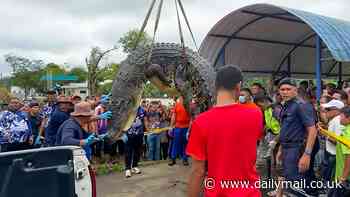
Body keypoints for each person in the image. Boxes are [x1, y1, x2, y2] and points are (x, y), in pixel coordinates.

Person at [187, 65, 263, 197]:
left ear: (216, 87)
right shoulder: (256, 114)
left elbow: (198, 171)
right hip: (250, 192)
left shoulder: (200, 122)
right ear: (238, 86)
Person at [276, 78, 319, 196]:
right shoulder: (286, 106)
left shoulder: (301, 106)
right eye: (282, 89)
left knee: (296, 187)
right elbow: (286, 129)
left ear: (295, 90)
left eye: (288, 89)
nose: (285, 92)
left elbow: (312, 130)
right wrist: (280, 149)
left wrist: (307, 154)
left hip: (297, 149)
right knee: (292, 184)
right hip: (287, 148)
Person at [320, 99, 344, 182]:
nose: (325, 111)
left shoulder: (338, 121)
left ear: (337, 110)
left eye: (328, 109)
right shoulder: (335, 119)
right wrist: (325, 128)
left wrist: (325, 134)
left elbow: (339, 141)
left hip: (334, 155)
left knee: (330, 178)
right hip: (331, 153)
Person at [328, 107, 350, 196]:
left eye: (341, 116)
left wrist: (343, 178)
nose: (339, 119)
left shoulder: (347, 133)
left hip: (345, 178)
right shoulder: (346, 130)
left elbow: (349, 157)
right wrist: (323, 130)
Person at [124, 105, 146, 178]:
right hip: (129, 135)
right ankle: (127, 168)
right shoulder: (127, 109)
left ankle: (135, 166)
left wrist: (145, 130)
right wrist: (123, 133)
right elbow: (123, 122)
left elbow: (144, 120)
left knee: (137, 151)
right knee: (128, 152)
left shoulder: (142, 109)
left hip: (139, 134)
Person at [169, 96, 190, 166]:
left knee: (185, 143)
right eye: (181, 97)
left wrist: (189, 129)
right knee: (175, 143)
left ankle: (185, 159)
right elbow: (174, 116)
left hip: (186, 127)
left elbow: (192, 118)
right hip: (177, 127)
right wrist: (171, 127)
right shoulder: (177, 105)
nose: (182, 98)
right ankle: (173, 158)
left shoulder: (189, 106)